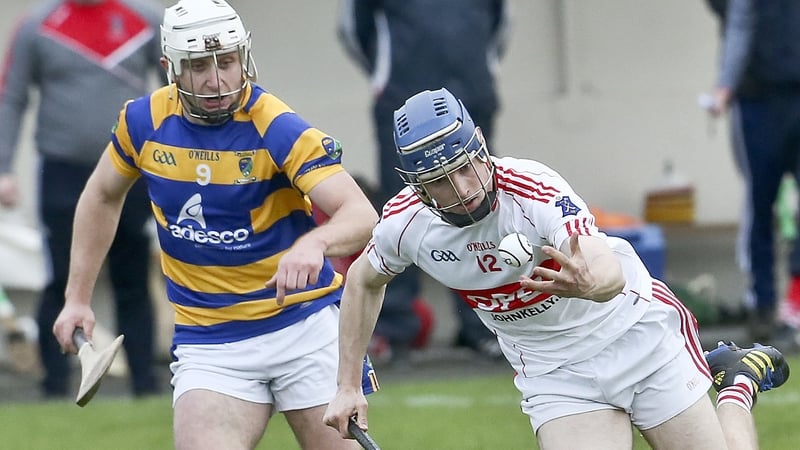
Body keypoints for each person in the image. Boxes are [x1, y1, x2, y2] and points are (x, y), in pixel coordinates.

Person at [322, 88, 790, 448]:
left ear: (480, 146)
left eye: (465, 167)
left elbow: (604, 265)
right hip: (555, 372)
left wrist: (590, 283)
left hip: (632, 334)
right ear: (417, 186)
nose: (461, 189)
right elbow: (363, 280)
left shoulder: (533, 188)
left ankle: (738, 382)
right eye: (439, 182)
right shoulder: (406, 223)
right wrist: (346, 386)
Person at [51, 0, 379, 449]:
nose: (217, 79)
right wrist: (77, 299)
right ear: (170, 67)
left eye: (227, 61)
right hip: (210, 341)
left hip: (303, 329)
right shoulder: (143, 121)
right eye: (199, 65)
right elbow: (102, 195)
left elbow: (361, 215)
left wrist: (314, 244)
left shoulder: (276, 127)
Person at [0, 0, 165, 398]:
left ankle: (145, 384)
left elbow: (176, 89)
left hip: (131, 168)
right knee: (59, 276)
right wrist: (3, 168)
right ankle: (54, 386)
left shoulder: (144, 19)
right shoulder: (38, 24)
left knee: (133, 275)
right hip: (62, 170)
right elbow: (12, 96)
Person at [337, 0, 510, 361]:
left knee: (480, 202)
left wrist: (484, 68)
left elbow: (500, 24)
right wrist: (385, 74)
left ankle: (483, 325)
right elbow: (355, 29)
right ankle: (396, 328)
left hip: (472, 93)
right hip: (404, 100)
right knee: (401, 207)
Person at [705, 0, 800, 347]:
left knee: (772, 209)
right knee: (759, 206)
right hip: (757, 98)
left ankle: (793, 301)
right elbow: (738, 22)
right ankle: (763, 305)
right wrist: (726, 85)